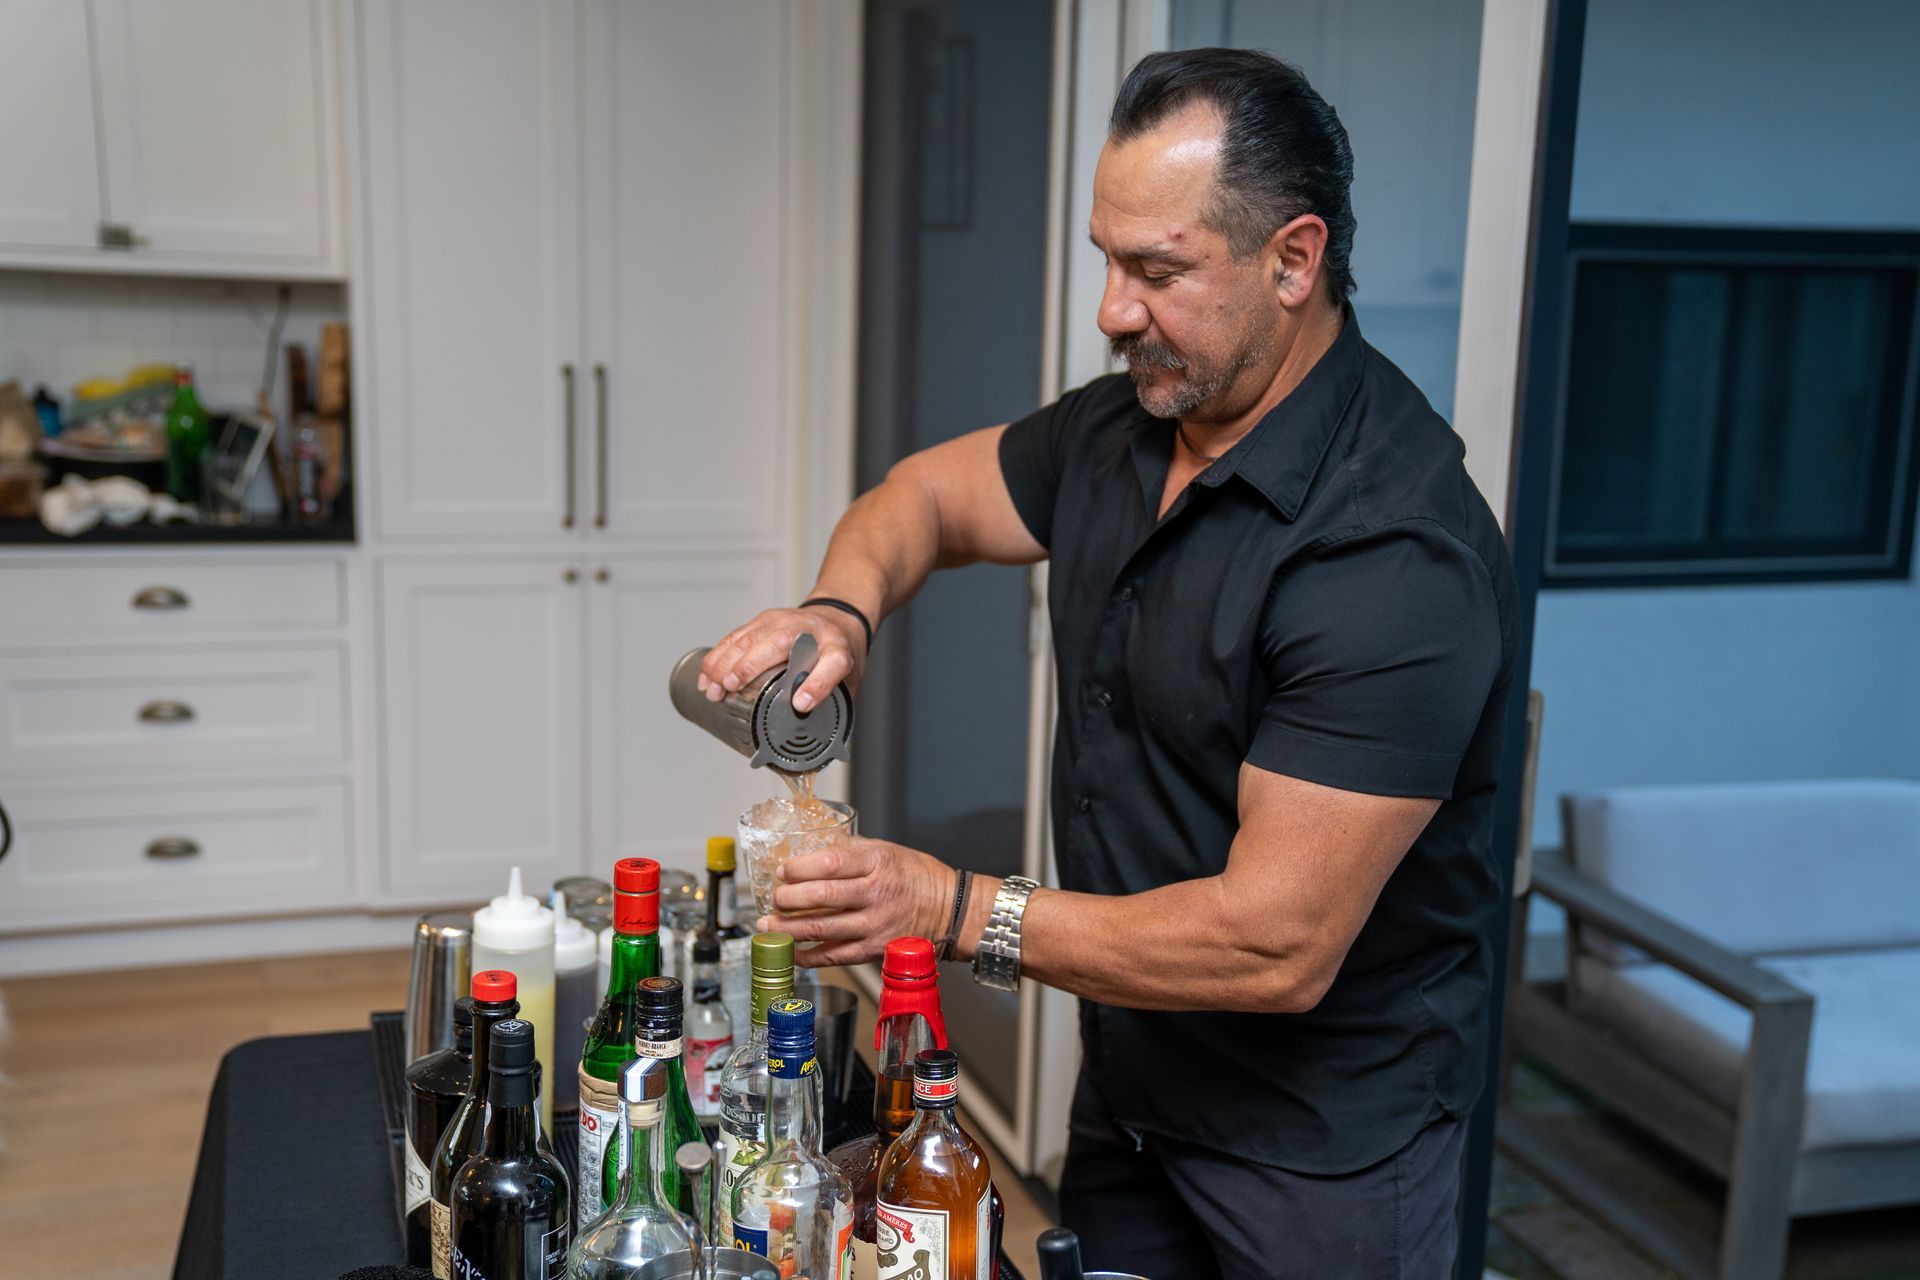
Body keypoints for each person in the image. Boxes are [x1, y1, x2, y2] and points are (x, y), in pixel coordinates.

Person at [697, 48, 1516, 1280]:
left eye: (1158, 269)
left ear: (1293, 261)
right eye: (1107, 259)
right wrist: (842, 608)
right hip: (1133, 1094)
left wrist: (945, 907)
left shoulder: (1391, 551)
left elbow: (1273, 944)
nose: (1112, 311)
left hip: (1320, 1156)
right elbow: (919, 497)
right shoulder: (1128, 423)